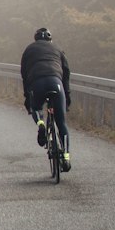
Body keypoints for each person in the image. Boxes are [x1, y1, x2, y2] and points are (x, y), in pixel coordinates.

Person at [20, 26, 71, 169]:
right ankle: (66, 156)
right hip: (56, 83)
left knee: (36, 107)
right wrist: (67, 95)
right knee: (61, 123)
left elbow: (24, 74)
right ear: (50, 39)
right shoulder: (58, 49)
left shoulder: (29, 49)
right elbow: (66, 73)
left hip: (37, 83)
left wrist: (27, 96)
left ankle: (41, 124)